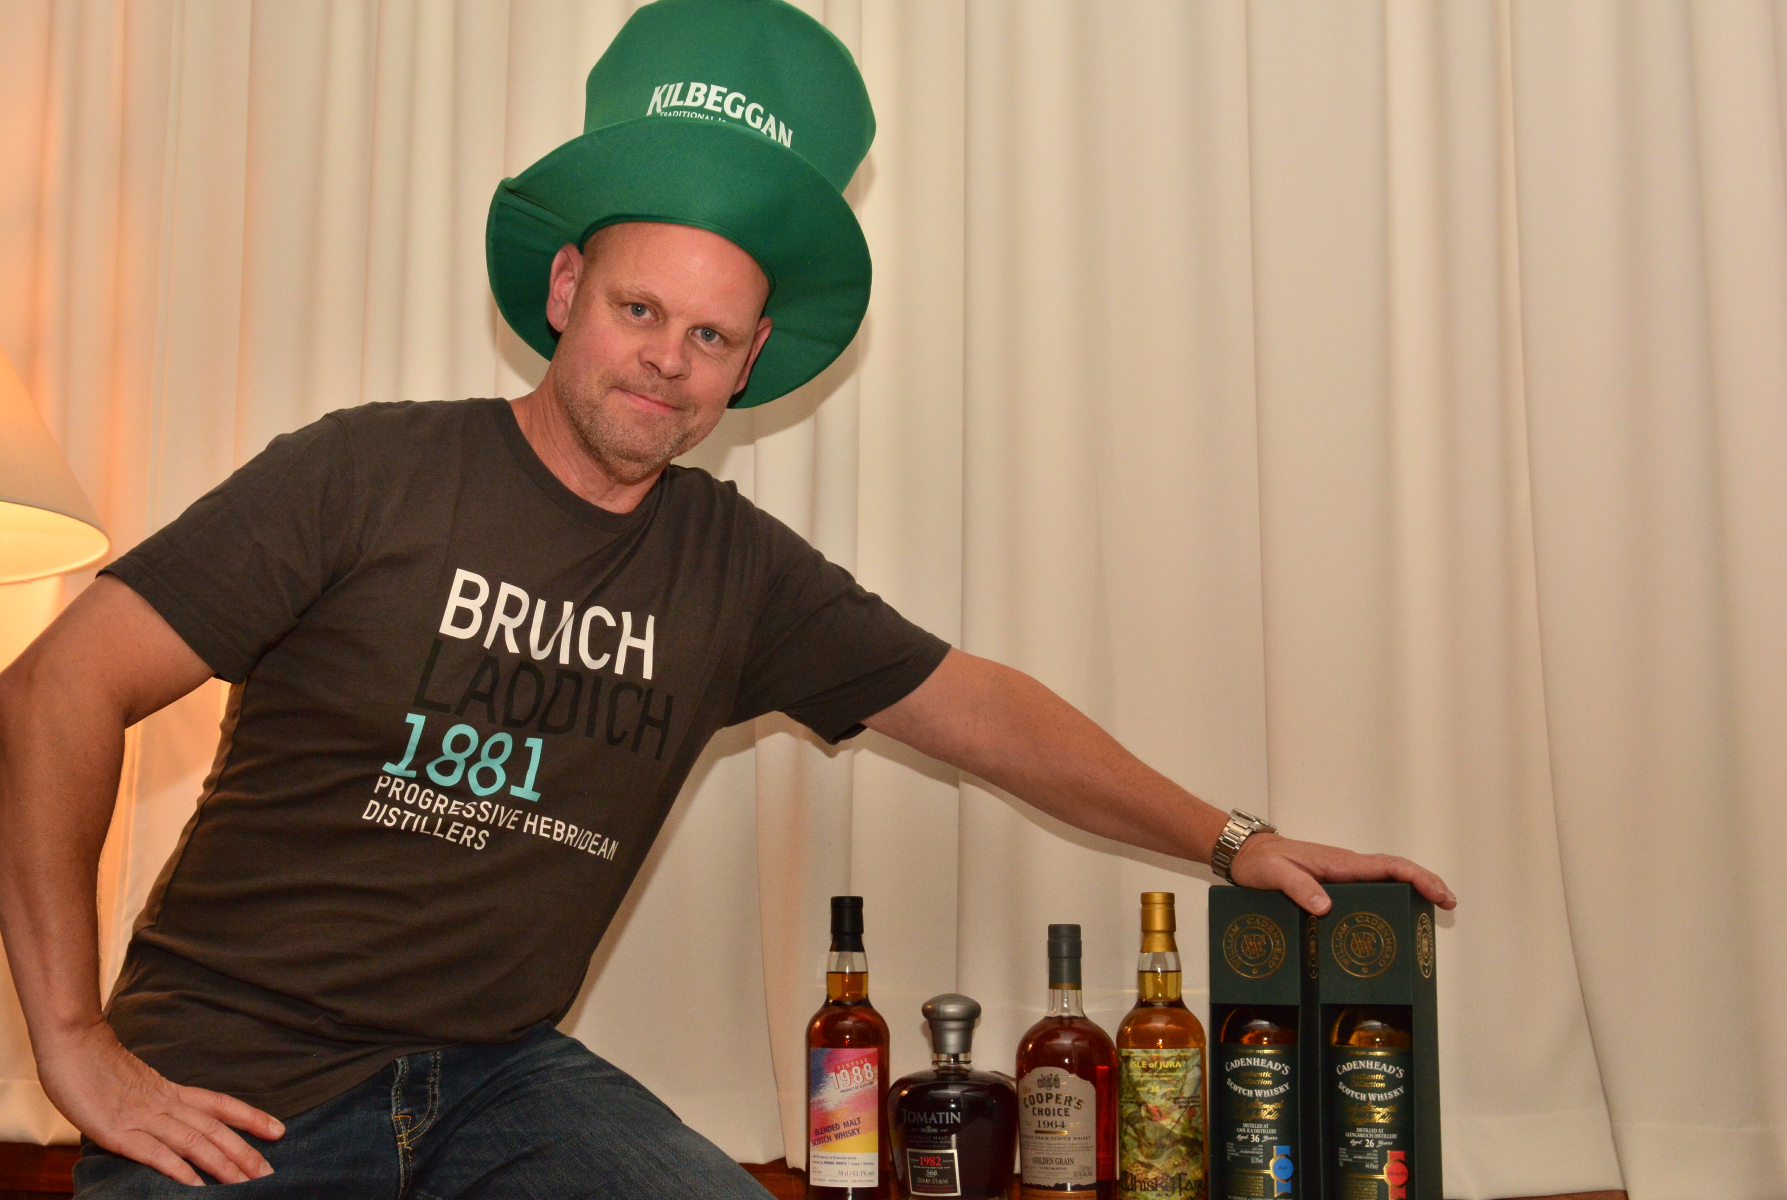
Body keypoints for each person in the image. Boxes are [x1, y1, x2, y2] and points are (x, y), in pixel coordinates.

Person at [0, 1, 1453, 1195]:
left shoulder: (737, 573)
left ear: (750, 362)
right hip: (232, 1081)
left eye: (710, 336)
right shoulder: (363, 473)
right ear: (564, 290)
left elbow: (985, 715)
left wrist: (1235, 840)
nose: (667, 360)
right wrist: (71, 1041)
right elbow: (57, 686)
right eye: (639, 309)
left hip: (500, 1085)